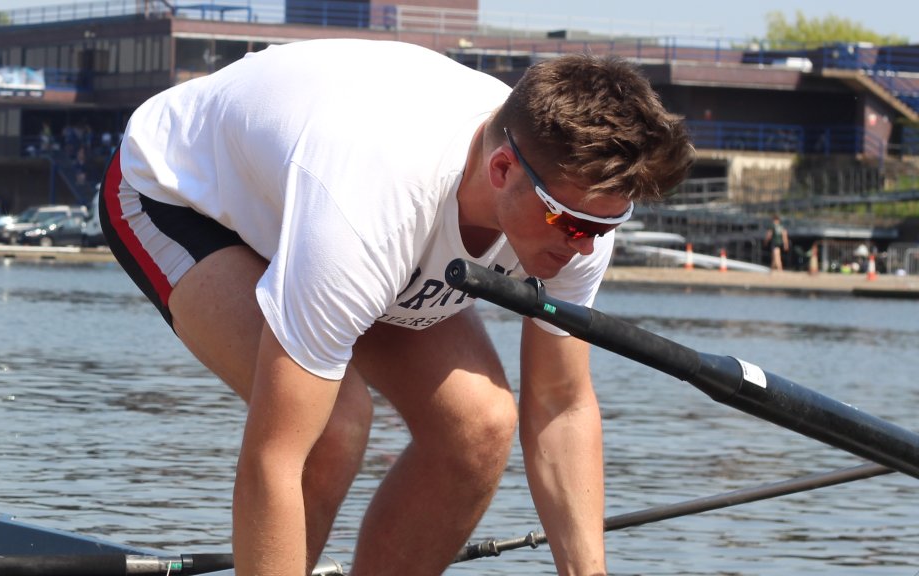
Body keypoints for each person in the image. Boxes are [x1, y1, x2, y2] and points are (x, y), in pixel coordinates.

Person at [98, 40, 692, 576]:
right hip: (179, 192)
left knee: (480, 428)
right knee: (332, 425)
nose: (585, 243)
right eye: (571, 223)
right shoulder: (371, 207)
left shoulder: (580, 202)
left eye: (605, 225)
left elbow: (560, 404)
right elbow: (275, 458)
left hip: (330, 203)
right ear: (504, 168)